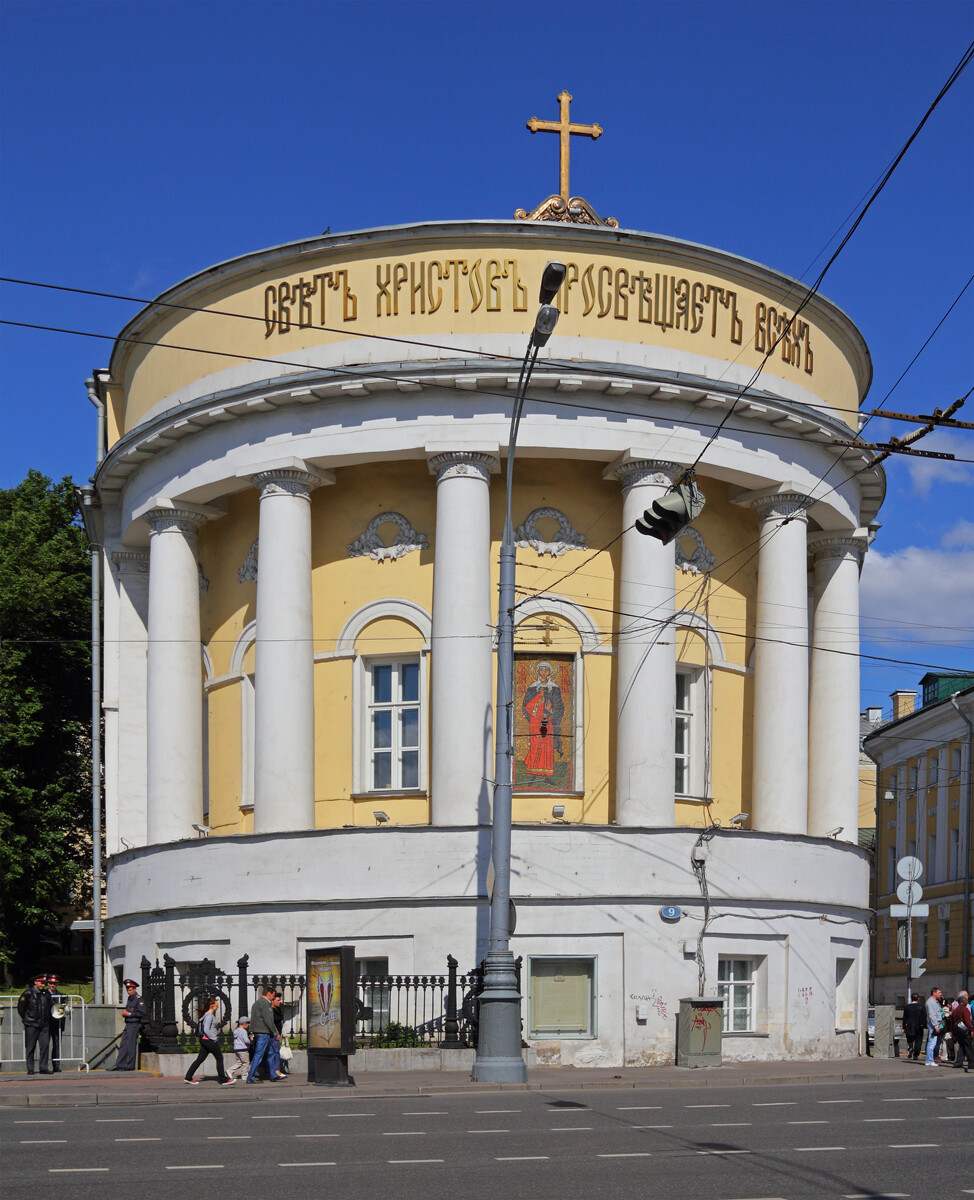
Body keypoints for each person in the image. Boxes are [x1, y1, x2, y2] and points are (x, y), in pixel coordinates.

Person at [522, 661, 565, 778]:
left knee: (547, 745)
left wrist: (551, 712)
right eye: (542, 670)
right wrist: (535, 709)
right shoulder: (532, 688)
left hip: (549, 720)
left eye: (546, 670)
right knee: (536, 745)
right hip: (536, 721)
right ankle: (533, 773)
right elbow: (525, 706)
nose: (544, 672)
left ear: (550, 672)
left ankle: (547, 775)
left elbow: (560, 706)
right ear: (538, 671)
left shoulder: (555, 688)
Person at [184, 996, 235, 1086]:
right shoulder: (209, 1016)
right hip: (209, 1040)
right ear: (211, 1005)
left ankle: (188, 1077)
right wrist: (214, 1039)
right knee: (219, 1058)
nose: (217, 1005)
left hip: (205, 1040)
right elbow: (206, 1030)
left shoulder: (206, 1015)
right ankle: (223, 1079)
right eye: (216, 1004)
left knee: (200, 1059)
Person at [246, 985, 283, 1083]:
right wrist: (275, 1032)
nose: (273, 998)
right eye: (273, 996)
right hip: (264, 1032)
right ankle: (251, 1077)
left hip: (259, 1031)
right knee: (259, 1054)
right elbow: (268, 1020)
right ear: (269, 994)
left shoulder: (256, 1003)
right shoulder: (266, 1004)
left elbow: (254, 1019)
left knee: (270, 1053)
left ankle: (273, 1075)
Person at [17, 974, 53, 1075]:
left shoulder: (46, 994)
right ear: (35, 982)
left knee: (45, 1046)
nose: (43, 985)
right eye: (41, 982)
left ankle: (43, 1067)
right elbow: (21, 1008)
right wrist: (28, 1019)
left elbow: (50, 1006)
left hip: (44, 1024)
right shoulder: (27, 993)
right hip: (31, 1024)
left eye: (44, 983)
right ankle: (30, 1068)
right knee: (30, 1047)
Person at [110, 978, 145, 1071]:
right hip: (128, 1024)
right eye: (127, 990)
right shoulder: (130, 998)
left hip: (134, 1024)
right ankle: (119, 1064)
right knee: (123, 1045)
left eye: (130, 990)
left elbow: (142, 1013)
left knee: (131, 1045)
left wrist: (129, 1014)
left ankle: (130, 1066)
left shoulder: (139, 999)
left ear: (134, 989)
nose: (128, 992)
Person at [950, 991, 974, 1072]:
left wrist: (953, 1033)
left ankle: (958, 1062)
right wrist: (971, 1030)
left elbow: (952, 1022)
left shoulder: (955, 1010)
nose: (967, 1001)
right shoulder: (965, 1009)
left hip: (957, 1030)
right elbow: (968, 1021)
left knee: (962, 1046)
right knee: (968, 1046)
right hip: (964, 1030)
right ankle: (972, 1063)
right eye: (966, 1000)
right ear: (963, 1001)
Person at [46, 975, 66, 1072]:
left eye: (54, 983)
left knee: (57, 1045)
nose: (52, 985)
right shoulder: (44, 994)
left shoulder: (61, 995)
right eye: (51, 983)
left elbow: (63, 1008)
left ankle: (56, 1065)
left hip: (57, 1023)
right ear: (48, 984)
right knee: (45, 1045)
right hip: (46, 1023)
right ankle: (44, 1065)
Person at [924, 986, 945, 1066]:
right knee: (932, 1042)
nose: (940, 994)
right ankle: (929, 1060)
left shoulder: (934, 1001)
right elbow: (932, 1015)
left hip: (935, 1024)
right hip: (933, 1024)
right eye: (939, 992)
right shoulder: (930, 1002)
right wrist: (936, 1025)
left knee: (933, 1042)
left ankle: (930, 1060)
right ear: (934, 993)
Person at [902, 992, 925, 1060]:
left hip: (910, 1025)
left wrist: (903, 1027)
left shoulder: (907, 1007)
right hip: (919, 1026)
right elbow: (924, 1016)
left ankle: (910, 1048)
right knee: (918, 1040)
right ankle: (916, 1054)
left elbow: (904, 1018)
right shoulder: (921, 1006)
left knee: (910, 1039)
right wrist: (924, 1024)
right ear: (918, 998)